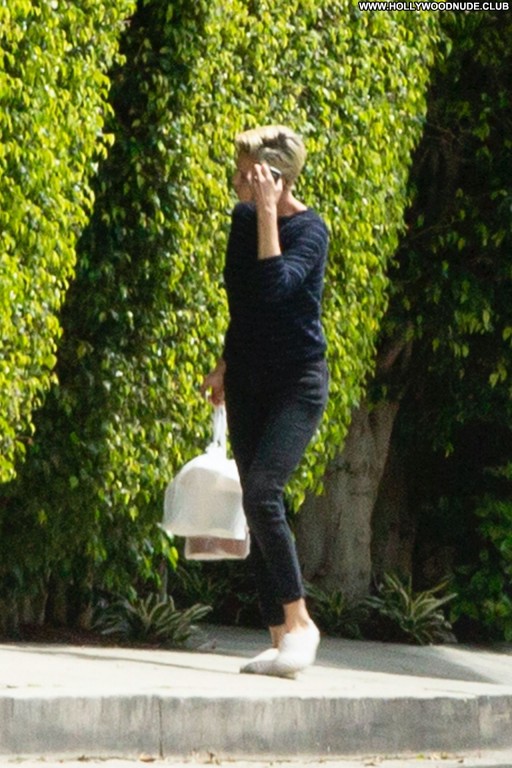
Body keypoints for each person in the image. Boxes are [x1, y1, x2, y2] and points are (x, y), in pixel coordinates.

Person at [201, 125, 329, 678]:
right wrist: (226, 364)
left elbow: (276, 288)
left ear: (273, 179)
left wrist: (270, 213)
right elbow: (245, 300)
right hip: (249, 379)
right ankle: (279, 641)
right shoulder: (241, 219)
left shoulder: (311, 231)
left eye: (245, 174)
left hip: (298, 382)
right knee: (254, 507)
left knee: (263, 492)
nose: (236, 181)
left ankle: (301, 623)